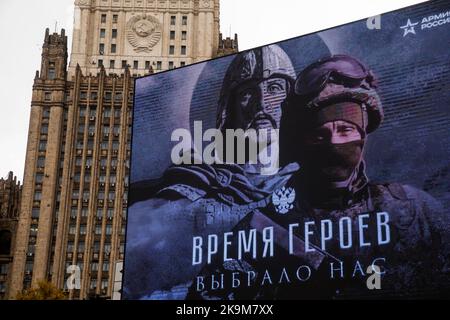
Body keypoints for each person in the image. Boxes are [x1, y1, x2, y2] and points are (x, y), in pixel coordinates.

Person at [188, 55, 450, 300]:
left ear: (363, 136)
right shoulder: (262, 229)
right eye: (319, 136)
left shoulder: (414, 209)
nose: (334, 143)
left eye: (346, 130)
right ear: (302, 142)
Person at [124, 45, 298, 300]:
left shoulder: (311, 186)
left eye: (274, 89)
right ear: (230, 107)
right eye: (248, 92)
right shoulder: (191, 190)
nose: (262, 103)